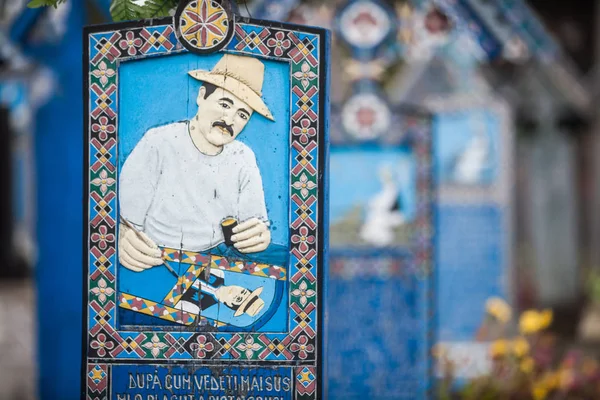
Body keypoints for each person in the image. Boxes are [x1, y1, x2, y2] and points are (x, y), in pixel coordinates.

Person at [118, 53, 282, 273]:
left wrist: (258, 234)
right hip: (163, 260)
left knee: (286, 263)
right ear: (202, 96)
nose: (230, 120)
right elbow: (123, 222)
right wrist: (123, 238)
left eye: (242, 115)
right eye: (225, 104)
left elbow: (254, 223)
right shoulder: (158, 142)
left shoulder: (243, 156)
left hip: (221, 258)